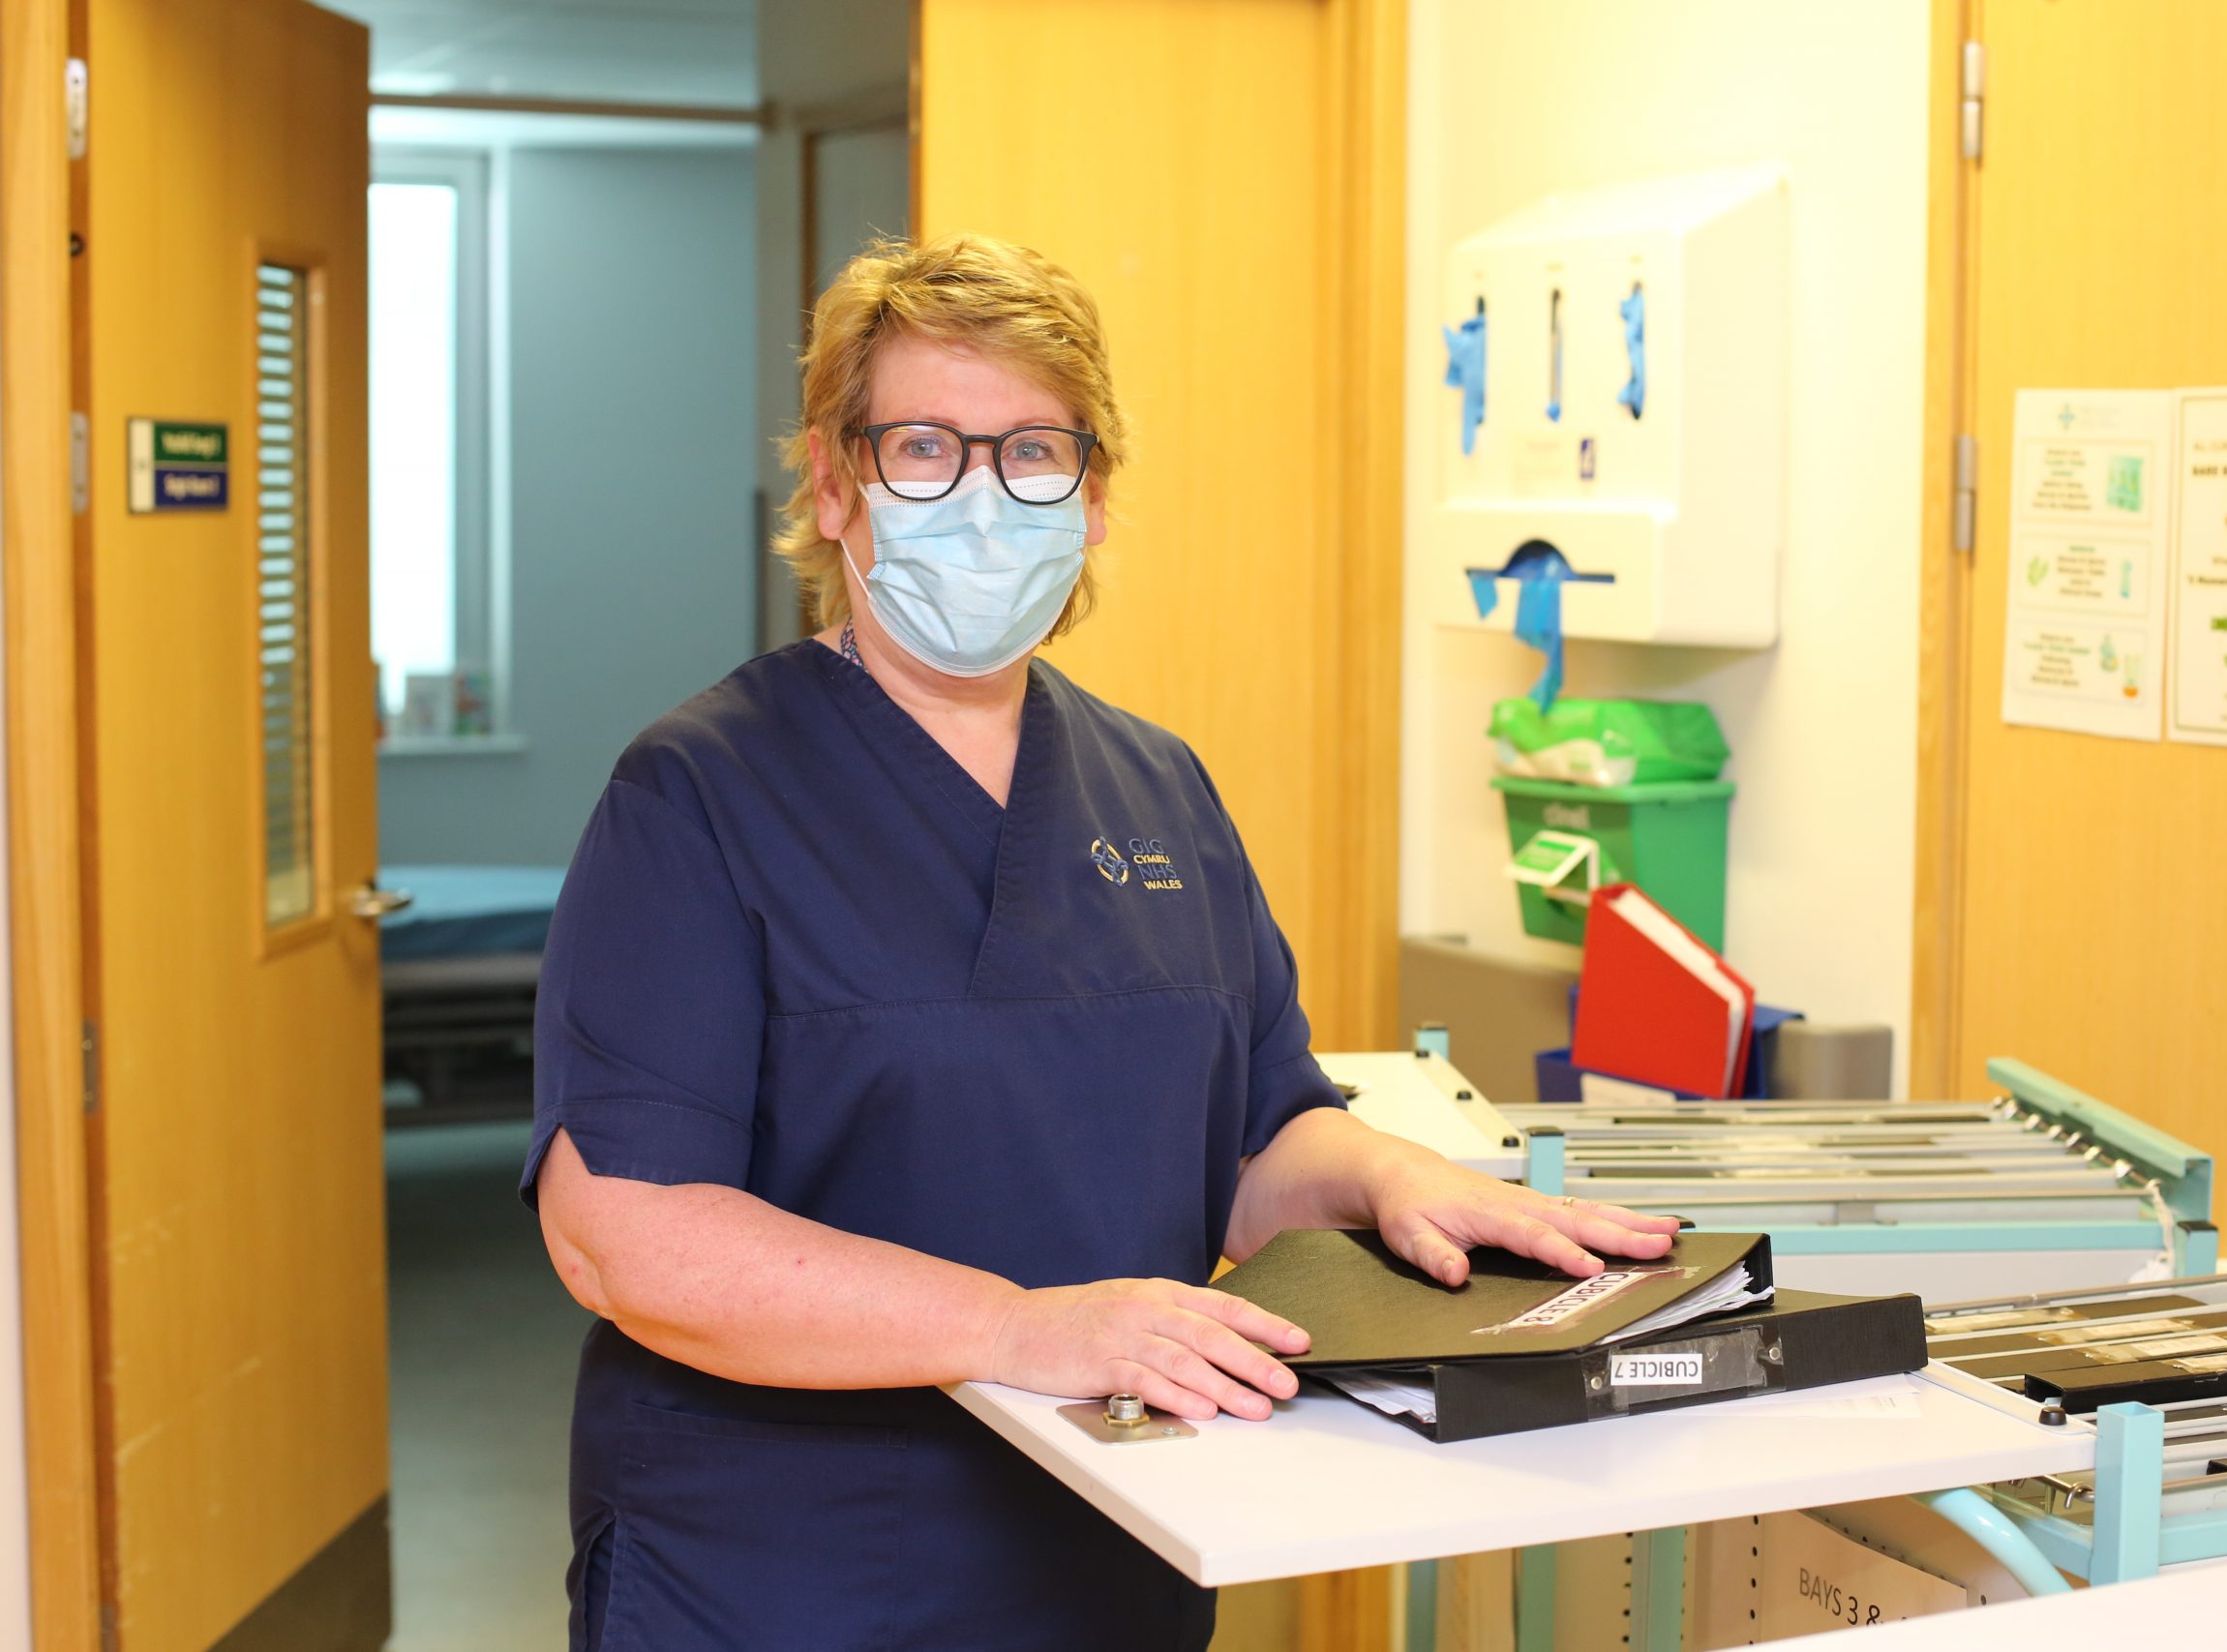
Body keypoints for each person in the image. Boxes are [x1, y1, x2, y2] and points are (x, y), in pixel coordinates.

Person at [527, 232, 1678, 1651]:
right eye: (926, 449)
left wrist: (1392, 1178)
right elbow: (626, 1238)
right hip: (791, 1568)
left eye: (1033, 455)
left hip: (1112, 1540)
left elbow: (1256, 1142)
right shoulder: (698, 794)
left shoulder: (1157, 786)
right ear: (832, 483)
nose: (985, 498)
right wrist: (1018, 1328)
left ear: (1094, 499)